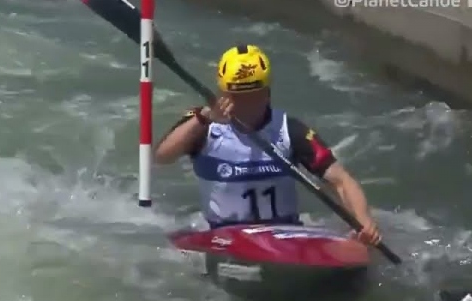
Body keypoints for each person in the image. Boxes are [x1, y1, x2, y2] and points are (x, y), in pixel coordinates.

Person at [154, 44, 382, 246]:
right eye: (235, 96)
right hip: (224, 238)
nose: (243, 104)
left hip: (284, 238)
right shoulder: (202, 125)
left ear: (267, 93)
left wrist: (364, 223)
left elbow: (341, 181)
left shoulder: (289, 130)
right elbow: (162, 156)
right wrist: (204, 117)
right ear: (222, 93)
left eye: (252, 95)